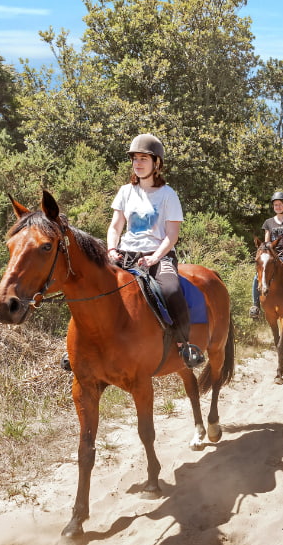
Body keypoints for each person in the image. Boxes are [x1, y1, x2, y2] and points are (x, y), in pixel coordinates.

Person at [106, 133, 204, 369]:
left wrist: (155, 258)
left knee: (171, 290)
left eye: (143, 158)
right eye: (135, 159)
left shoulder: (168, 195)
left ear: (156, 163)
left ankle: (184, 344)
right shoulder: (125, 191)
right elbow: (115, 225)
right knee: (92, 283)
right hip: (125, 254)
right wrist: (111, 248)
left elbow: (172, 235)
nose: (137, 163)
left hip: (158, 256)